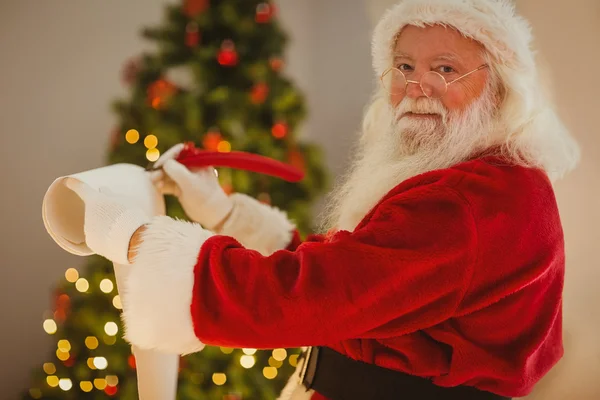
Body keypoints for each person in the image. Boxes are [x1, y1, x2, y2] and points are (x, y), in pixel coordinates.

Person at [66, 0, 580, 399]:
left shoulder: (470, 201)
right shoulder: (480, 179)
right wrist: (223, 214)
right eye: (403, 66)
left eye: (445, 69)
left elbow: (313, 296)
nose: (417, 85)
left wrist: (132, 238)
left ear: (500, 86)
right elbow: (356, 283)